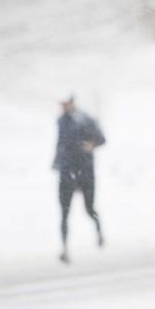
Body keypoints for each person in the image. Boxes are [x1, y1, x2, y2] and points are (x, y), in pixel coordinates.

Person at [52, 95, 105, 264]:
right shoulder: (61, 121)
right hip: (67, 172)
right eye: (62, 103)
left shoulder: (86, 119)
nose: (64, 106)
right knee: (64, 213)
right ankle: (65, 249)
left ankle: (99, 233)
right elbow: (60, 143)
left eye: (66, 103)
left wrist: (91, 145)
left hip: (84, 171)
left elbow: (101, 139)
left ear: (72, 102)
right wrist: (57, 162)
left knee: (89, 209)